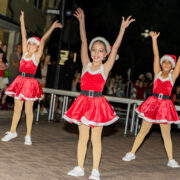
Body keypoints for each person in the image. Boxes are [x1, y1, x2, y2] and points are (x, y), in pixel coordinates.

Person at [63, 8, 135, 180]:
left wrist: (122, 29)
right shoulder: (86, 63)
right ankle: (80, 167)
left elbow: (116, 46)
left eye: (100, 50)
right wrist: (81, 23)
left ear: (105, 54)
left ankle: (95, 170)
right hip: (82, 102)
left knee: (96, 139)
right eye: (94, 49)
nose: (96, 53)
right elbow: (83, 40)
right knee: (82, 138)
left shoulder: (105, 67)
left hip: (97, 105)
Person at [1, 11, 62, 145]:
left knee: (28, 110)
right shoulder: (24, 53)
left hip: (29, 83)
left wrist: (52, 27)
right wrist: (22, 20)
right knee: (17, 109)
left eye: (34, 44)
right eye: (29, 44)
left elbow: (44, 39)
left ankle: (28, 135)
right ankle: (12, 131)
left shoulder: (36, 56)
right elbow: (23, 35)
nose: (30, 46)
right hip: (20, 81)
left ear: (37, 47)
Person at [122, 31, 180, 168]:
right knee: (143, 130)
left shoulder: (173, 76)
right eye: (164, 62)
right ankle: (132, 152)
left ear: (172, 66)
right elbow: (156, 55)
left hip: (165, 105)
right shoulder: (157, 73)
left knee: (166, 134)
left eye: (169, 63)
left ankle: (171, 159)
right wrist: (154, 39)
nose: (166, 64)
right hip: (153, 103)